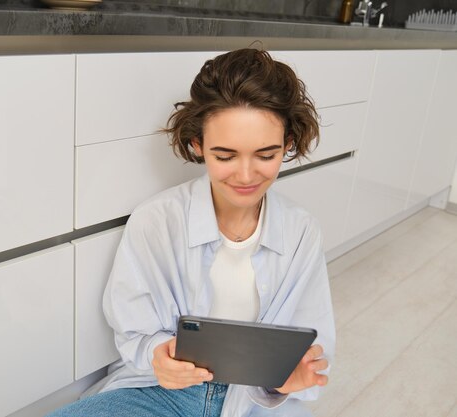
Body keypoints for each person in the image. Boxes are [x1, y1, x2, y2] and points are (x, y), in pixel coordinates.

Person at [47, 48, 335, 417]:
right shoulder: (156, 220)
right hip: (161, 391)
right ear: (197, 145)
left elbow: (313, 345)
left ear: (289, 144)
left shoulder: (301, 232)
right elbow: (135, 331)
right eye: (225, 156)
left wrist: (287, 378)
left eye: (266, 155)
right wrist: (158, 354)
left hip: (254, 401)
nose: (246, 176)